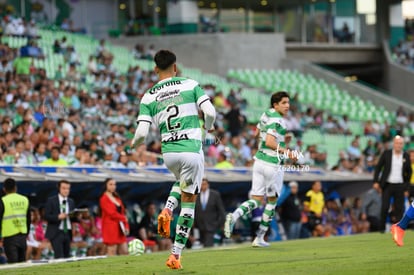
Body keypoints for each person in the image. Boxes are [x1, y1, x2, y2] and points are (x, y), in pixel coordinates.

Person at [130, 49, 216, 269]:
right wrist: (207, 128)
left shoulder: (148, 95)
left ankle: (168, 208)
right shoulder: (190, 84)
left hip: (168, 153)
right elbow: (211, 112)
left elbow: (141, 133)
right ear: (175, 67)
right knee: (189, 205)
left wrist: (133, 145)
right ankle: (175, 256)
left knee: (182, 182)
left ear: (155, 68)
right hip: (191, 148)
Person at [224, 91, 295, 247]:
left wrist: (283, 141)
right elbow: (270, 142)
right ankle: (260, 238)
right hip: (273, 165)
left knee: (255, 200)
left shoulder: (266, 114)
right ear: (275, 105)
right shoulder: (278, 120)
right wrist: (288, 152)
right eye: (284, 103)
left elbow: (257, 134)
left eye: (288, 102)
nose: (287, 106)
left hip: (259, 162)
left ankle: (234, 216)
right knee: (271, 202)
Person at [374, 135, 412, 233]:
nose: (398, 145)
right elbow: (378, 167)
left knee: (399, 209)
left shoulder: (406, 156)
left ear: (403, 145)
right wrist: (376, 181)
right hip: (387, 185)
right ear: (393, 144)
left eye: (400, 144)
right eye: (397, 143)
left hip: (400, 185)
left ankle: (398, 230)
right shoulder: (386, 154)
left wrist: (406, 187)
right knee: (385, 207)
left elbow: (409, 172)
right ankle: (381, 229)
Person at [0, 178, 30, 263]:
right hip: (22, 236)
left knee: (13, 264)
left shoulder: (3, 201)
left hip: (9, 236)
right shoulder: (24, 199)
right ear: (15, 188)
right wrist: (26, 233)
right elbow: (28, 219)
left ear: (4, 189)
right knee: (22, 263)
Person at [45, 180, 75, 259]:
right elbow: (46, 216)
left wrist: (77, 216)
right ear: (59, 188)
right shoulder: (51, 200)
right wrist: (58, 217)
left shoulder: (71, 201)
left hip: (67, 231)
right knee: (59, 256)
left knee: (67, 255)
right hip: (56, 232)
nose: (66, 191)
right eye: (64, 188)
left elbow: (73, 217)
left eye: (68, 189)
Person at [99, 178, 129, 256]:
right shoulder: (103, 199)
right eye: (110, 184)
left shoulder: (117, 198)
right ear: (106, 186)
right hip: (110, 227)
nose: (113, 186)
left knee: (125, 250)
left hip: (120, 227)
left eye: (114, 184)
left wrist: (126, 226)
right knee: (112, 250)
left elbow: (123, 213)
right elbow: (111, 214)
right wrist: (123, 218)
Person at [194, 177, 225, 247]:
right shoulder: (196, 196)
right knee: (203, 244)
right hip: (200, 225)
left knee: (209, 243)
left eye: (204, 184)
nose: (203, 186)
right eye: (201, 184)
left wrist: (222, 223)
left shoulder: (215, 194)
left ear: (208, 185)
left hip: (212, 224)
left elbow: (221, 210)